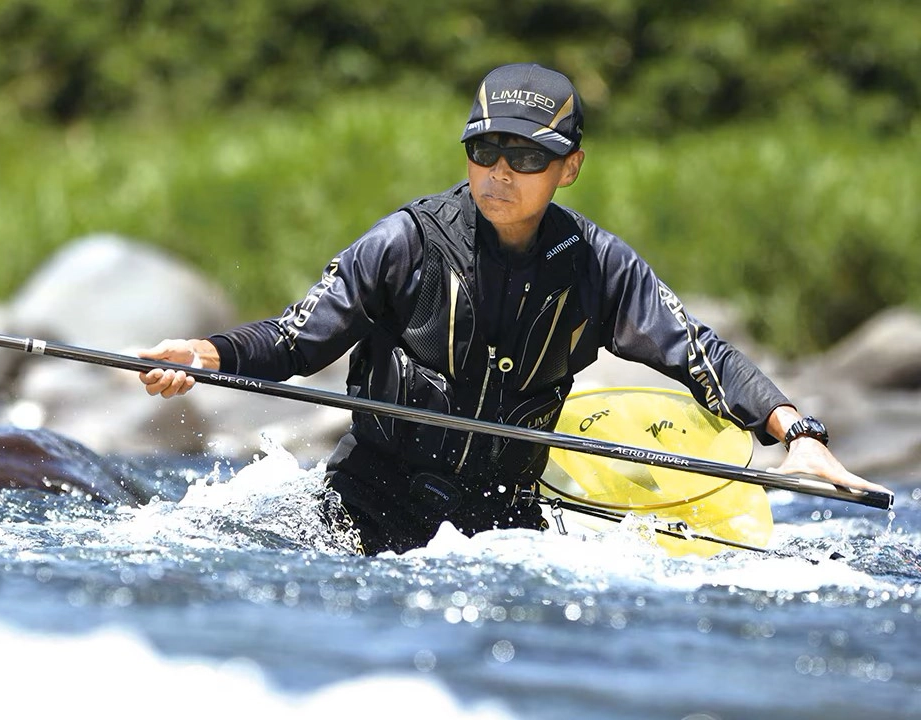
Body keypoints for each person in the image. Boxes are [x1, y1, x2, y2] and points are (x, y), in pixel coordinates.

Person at [135, 63, 891, 555]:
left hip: (501, 537)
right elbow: (300, 341)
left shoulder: (599, 268)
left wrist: (799, 433)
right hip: (361, 512)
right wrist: (206, 354)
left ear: (569, 167)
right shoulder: (404, 242)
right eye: (483, 149)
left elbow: (702, 356)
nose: (500, 172)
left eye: (527, 156)